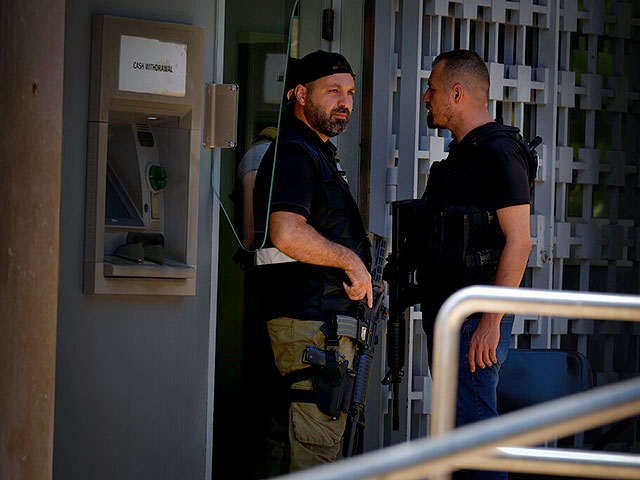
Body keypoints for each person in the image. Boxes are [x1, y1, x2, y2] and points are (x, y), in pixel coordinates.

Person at [252, 50, 372, 472]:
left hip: (318, 328)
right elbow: (286, 232)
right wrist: (352, 263)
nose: (345, 102)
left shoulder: (316, 153)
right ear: (301, 95)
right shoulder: (295, 152)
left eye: (350, 93)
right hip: (312, 329)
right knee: (315, 460)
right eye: (333, 91)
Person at [419, 49, 533, 480]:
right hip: (453, 315)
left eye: (432, 89)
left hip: (474, 322)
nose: (427, 98)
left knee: (475, 444)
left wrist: (490, 320)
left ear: (457, 93)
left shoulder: (499, 151)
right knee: (460, 443)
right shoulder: (462, 155)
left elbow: (519, 241)